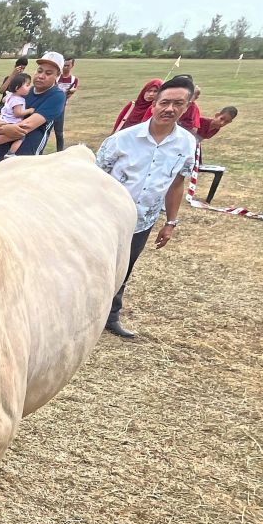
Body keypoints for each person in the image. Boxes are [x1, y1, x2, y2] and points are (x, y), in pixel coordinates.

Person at [96, 75, 196, 340]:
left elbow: (177, 184)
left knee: (124, 268)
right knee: (94, 264)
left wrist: (171, 221)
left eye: (178, 103)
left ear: (187, 107)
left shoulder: (187, 144)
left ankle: (111, 316)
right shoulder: (121, 140)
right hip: (106, 218)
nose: (170, 109)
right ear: (154, 104)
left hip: (143, 220)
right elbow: (93, 177)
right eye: (165, 102)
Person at [0, 52, 68, 166]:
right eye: (39, 71)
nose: (41, 76)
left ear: (57, 75)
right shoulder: (25, 90)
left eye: (48, 73)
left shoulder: (57, 96)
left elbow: (25, 127)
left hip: (24, 161)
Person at [0, 73, 34, 160]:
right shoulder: (18, 100)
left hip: (2, 120)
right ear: (17, 88)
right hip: (11, 123)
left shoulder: (10, 95)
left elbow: (3, 99)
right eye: (27, 85)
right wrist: (29, 110)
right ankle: (11, 153)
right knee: (21, 136)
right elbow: (18, 113)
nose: (29, 87)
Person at [53, 57, 78, 151]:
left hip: (60, 108)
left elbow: (67, 96)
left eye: (68, 65)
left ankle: (60, 152)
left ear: (72, 66)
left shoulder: (73, 80)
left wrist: (69, 93)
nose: (65, 67)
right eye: (64, 65)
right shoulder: (57, 76)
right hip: (50, 105)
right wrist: (67, 92)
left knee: (59, 133)